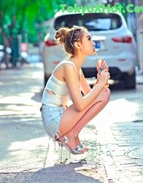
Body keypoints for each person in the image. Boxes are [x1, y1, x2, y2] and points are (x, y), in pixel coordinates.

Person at [41, 26, 111, 155]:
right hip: (53, 118)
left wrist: (99, 78)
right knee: (102, 93)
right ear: (78, 45)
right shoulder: (68, 66)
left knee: (104, 93)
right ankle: (71, 134)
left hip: (62, 114)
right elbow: (80, 105)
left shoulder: (76, 68)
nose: (93, 43)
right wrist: (100, 83)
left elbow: (92, 97)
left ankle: (71, 134)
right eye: (89, 39)